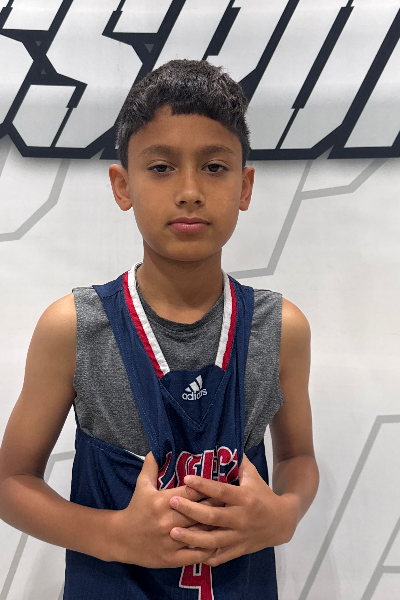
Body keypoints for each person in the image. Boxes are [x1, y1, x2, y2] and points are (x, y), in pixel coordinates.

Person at [0, 59, 319, 599]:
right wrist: (115, 535)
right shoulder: (75, 327)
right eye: (162, 167)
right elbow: (11, 482)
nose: (190, 190)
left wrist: (285, 514)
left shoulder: (280, 327)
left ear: (245, 186)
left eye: (214, 167)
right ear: (122, 185)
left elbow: (297, 458)